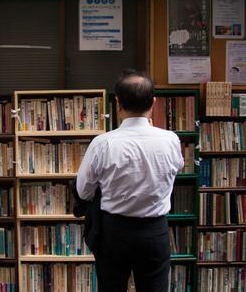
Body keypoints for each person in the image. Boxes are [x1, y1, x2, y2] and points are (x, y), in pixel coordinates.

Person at [77, 69, 184, 292]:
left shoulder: (103, 143)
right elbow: (176, 171)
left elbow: (84, 191)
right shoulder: (170, 140)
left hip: (114, 232)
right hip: (155, 231)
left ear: (118, 103)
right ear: (153, 102)